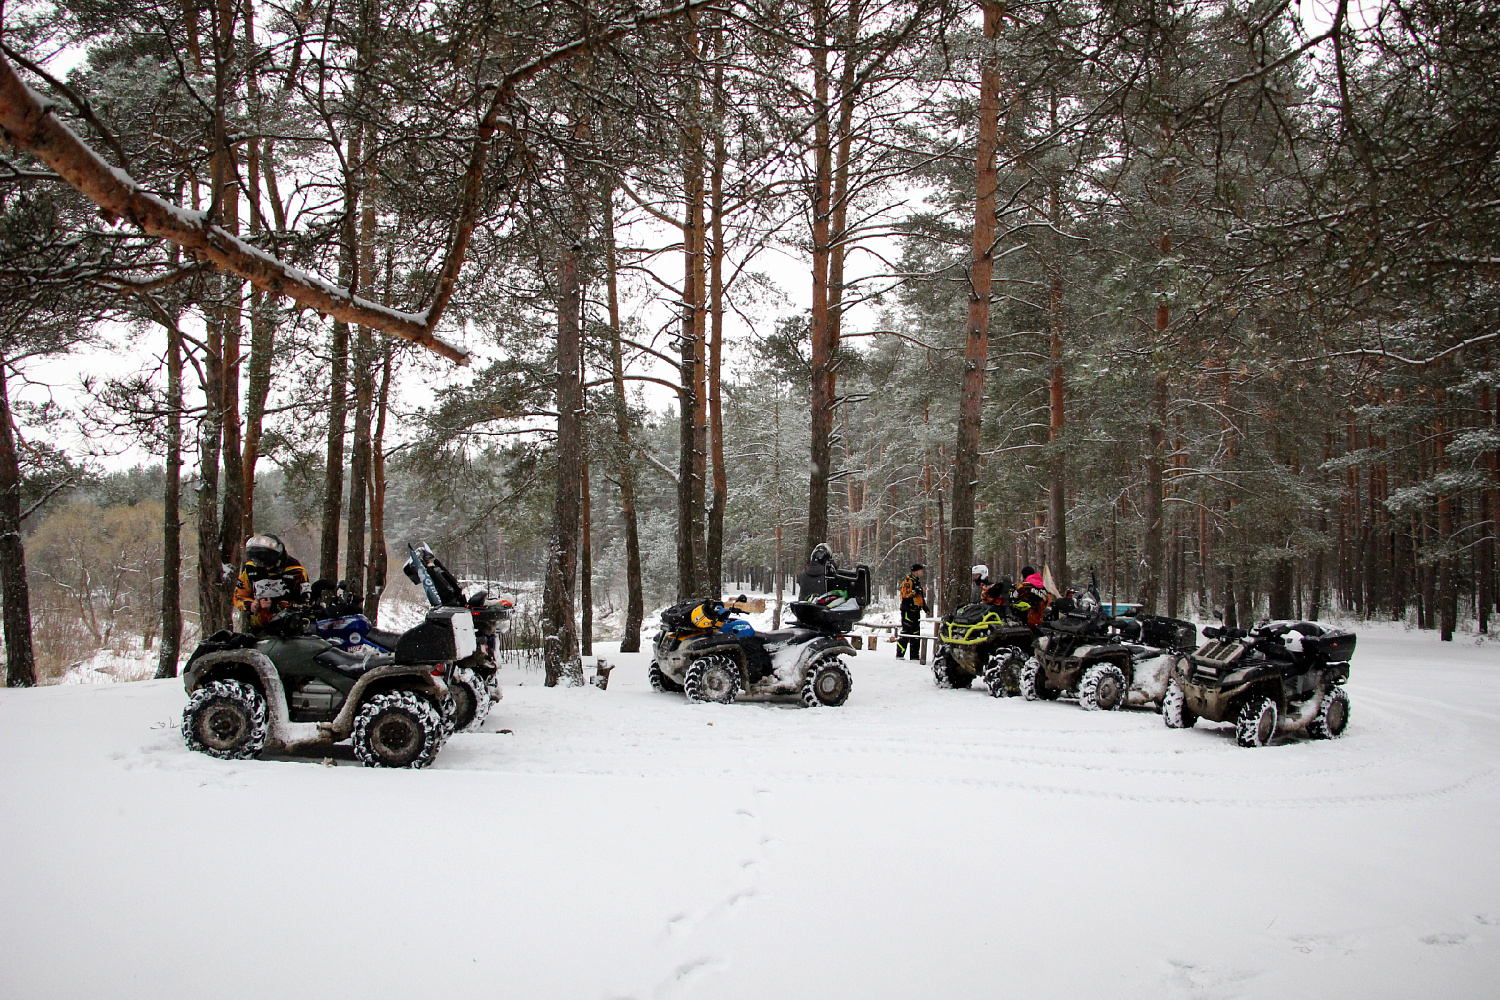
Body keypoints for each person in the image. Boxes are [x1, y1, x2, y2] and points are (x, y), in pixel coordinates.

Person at [234, 533, 310, 632]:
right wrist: (250, 605)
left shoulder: (296, 570)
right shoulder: (250, 569)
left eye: (269, 563)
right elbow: (238, 596)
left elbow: (305, 603)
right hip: (256, 630)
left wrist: (275, 605)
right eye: (261, 564)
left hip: (289, 630)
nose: (267, 568)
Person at [896, 563, 925, 659]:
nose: (922, 572)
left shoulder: (917, 581)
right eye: (920, 570)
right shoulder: (908, 580)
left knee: (916, 634)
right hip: (908, 610)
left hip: (916, 611)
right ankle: (900, 654)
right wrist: (916, 591)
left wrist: (925, 608)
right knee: (906, 632)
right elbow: (905, 594)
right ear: (916, 571)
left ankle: (914, 655)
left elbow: (919, 598)